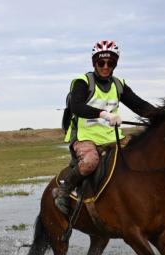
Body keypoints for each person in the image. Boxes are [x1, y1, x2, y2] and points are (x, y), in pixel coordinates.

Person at [55, 40, 157, 215]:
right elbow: (76, 107)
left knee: (140, 156)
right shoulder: (82, 82)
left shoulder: (119, 85)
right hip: (85, 137)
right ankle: (63, 191)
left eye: (111, 63)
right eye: (101, 62)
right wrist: (104, 114)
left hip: (111, 136)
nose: (105, 66)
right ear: (94, 62)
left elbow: (140, 106)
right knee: (90, 162)